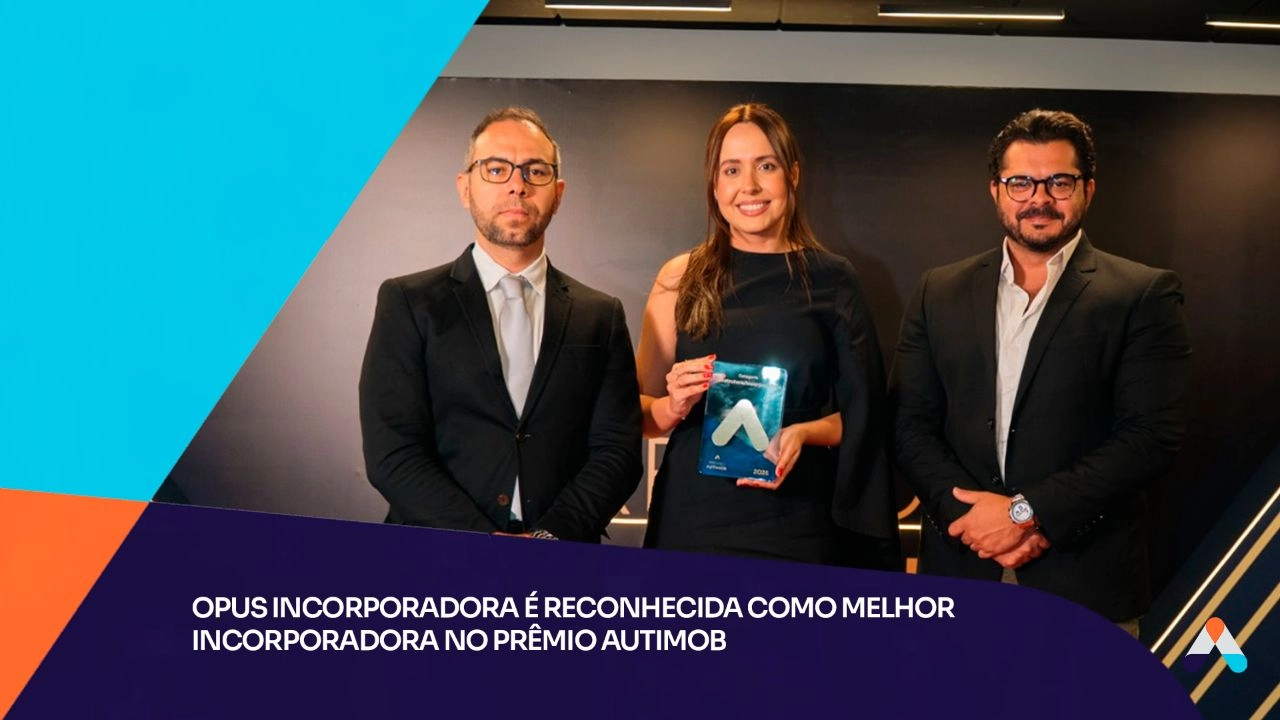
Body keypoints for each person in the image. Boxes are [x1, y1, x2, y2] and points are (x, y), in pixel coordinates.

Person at [890, 109, 1191, 631]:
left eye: (1059, 182)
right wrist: (971, 521)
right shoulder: (938, 290)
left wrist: (1024, 515)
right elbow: (909, 422)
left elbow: (1150, 436)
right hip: (962, 571)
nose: (1039, 198)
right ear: (996, 190)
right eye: (1021, 182)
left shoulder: (1142, 294)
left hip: (1084, 580)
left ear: (1088, 189)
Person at [359, 107, 642, 542]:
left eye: (535, 171)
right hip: (438, 552)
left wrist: (548, 538)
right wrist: (483, 543)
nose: (517, 184)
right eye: (496, 169)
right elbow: (392, 450)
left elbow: (617, 452)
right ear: (465, 188)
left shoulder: (601, 315)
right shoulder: (409, 302)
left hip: (561, 558)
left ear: (558, 193)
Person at [637, 103, 899, 567]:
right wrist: (671, 405)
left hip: (798, 520)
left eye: (766, 166)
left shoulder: (834, 279)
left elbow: (864, 414)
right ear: (714, 185)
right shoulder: (679, 277)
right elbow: (639, 412)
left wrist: (804, 433)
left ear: (792, 175)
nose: (749, 186)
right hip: (692, 520)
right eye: (731, 170)